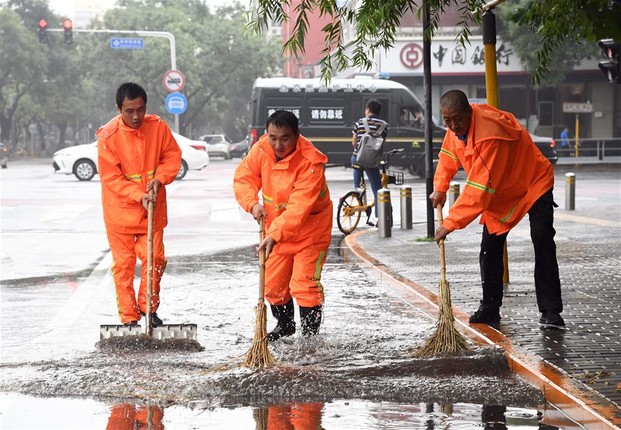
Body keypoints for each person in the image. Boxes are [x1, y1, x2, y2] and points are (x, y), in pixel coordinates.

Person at [429, 90, 564, 328]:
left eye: (457, 119)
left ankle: (551, 310)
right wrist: (440, 186)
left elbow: (478, 189)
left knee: (542, 238)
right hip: (500, 190)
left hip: (533, 182)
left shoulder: (488, 135)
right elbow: (448, 156)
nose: (452, 125)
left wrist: (450, 223)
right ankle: (490, 307)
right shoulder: (456, 129)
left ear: (469, 111)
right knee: (489, 247)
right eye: (447, 121)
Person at [234, 110, 333, 341]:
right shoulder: (261, 149)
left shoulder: (311, 163)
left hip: (311, 229)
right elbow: (244, 178)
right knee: (273, 284)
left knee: (304, 284)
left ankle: (310, 338)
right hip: (277, 228)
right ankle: (286, 324)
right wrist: (252, 204)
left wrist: (274, 233)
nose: (278, 144)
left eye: (284, 138)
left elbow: (298, 209)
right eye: (273, 137)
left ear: (296, 135)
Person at [97, 82, 181, 327]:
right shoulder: (108, 136)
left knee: (155, 259)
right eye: (129, 111)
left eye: (140, 110)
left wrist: (160, 178)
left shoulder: (158, 128)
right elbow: (111, 177)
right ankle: (129, 318)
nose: (136, 116)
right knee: (123, 266)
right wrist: (138, 195)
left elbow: (172, 156)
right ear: (118, 109)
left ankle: (149, 309)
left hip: (152, 212)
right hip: (120, 214)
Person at [352, 99, 388, 226]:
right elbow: (381, 143)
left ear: (367, 109)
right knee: (377, 190)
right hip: (372, 161)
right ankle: (378, 218)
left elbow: (354, 142)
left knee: (356, 162)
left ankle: (357, 189)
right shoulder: (384, 125)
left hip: (358, 158)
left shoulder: (360, 122)